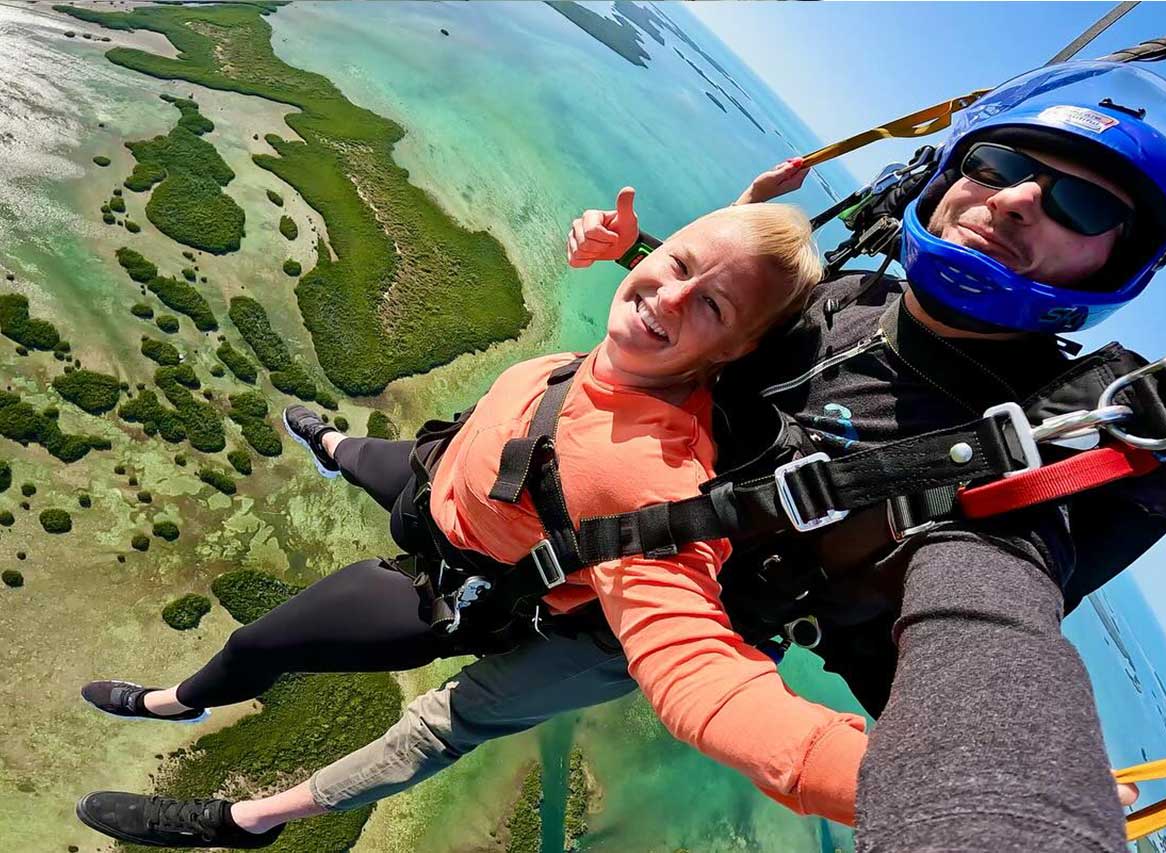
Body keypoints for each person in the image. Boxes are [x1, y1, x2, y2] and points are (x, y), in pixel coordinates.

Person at [566, 61, 1166, 852]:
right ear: (949, 178)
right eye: (999, 166)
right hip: (568, 515)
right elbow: (723, 321)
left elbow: (988, 615)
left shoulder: (1018, 453)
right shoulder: (854, 299)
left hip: (648, 626)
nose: (1015, 199)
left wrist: (1007, 799)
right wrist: (634, 250)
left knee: (450, 714)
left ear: (1117, 263)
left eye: (1081, 204)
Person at [75, 202, 880, 849]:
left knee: (267, 648)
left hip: (457, 579)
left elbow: (696, 668)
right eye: (673, 267)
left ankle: (202, 747)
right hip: (447, 487)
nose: (666, 295)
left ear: (736, 351)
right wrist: (638, 245)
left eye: (708, 304)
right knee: (366, 454)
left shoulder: (650, 474)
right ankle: (330, 445)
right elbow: (699, 281)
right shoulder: (633, 345)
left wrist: (883, 779)